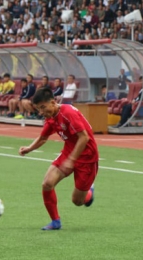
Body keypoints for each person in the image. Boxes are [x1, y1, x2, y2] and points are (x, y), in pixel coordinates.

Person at [18, 88, 98, 230]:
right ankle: (55, 222)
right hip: (69, 151)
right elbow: (43, 138)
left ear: (53, 102)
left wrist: (71, 160)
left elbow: (84, 137)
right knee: (47, 183)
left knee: (77, 201)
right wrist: (29, 148)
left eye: (43, 107)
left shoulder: (68, 113)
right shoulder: (51, 118)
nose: (41, 112)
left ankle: (89, 192)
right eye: (38, 109)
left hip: (87, 156)